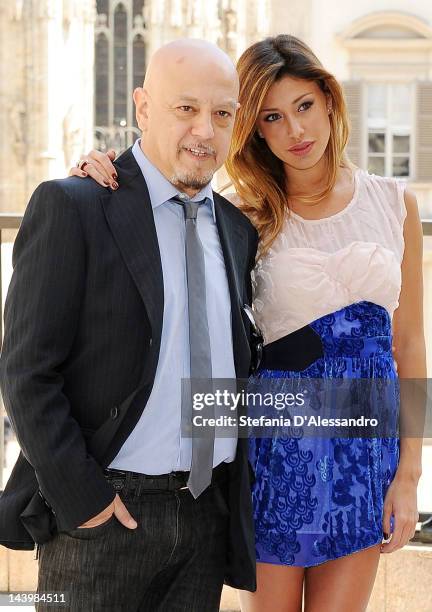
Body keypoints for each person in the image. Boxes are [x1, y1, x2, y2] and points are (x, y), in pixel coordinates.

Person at [76, 35, 424, 612]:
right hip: (272, 451)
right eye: (272, 117)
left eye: (304, 106)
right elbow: (161, 209)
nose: (295, 130)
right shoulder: (238, 211)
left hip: (365, 455)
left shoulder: (394, 203)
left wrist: (409, 474)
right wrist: (102, 174)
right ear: (255, 128)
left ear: (330, 101)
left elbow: (409, 344)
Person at [0, 39, 259, 611]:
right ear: (143, 108)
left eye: (222, 114)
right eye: (185, 108)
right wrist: (83, 500)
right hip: (102, 520)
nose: (205, 131)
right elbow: (25, 372)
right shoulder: (77, 206)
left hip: (203, 520)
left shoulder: (238, 232)